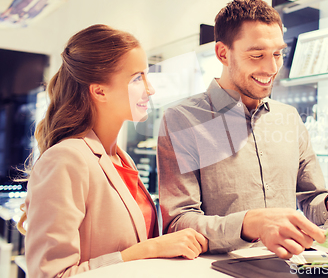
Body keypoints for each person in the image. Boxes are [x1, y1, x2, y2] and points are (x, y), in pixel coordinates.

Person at [157, 0, 328, 259]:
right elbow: (178, 223)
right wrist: (251, 223)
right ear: (223, 53)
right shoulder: (182, 120)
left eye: (277, 54)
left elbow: (311, 202)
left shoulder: (289, 118)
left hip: (291, 267)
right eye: (257, 55)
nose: (271, 68)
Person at [19, 24, 207, 278]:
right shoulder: (65, 159)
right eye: (137, 78)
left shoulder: (120, 159)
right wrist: (148, 249)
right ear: (99, 91)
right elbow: (50, 275)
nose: (150, 89)